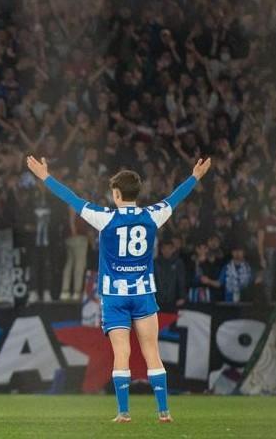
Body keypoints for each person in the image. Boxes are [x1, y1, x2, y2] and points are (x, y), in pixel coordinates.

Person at [26, 155, 211, 423]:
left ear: (115, 193)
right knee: (152, 352)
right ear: (138, 193)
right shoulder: (152, 215)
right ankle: (164, 411)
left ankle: (124, 412)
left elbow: (72, 199)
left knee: (121, 353)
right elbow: (175, 197)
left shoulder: (104, 218)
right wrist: (195, 176)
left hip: (115, 297)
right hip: (143, 294)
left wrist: (45, 177)